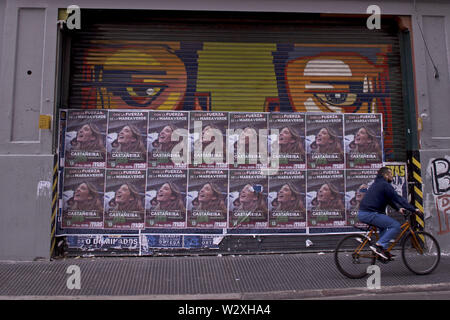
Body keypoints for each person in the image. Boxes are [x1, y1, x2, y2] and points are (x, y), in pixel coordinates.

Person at [357, 167, 418, 260]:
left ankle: (383, 252)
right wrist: (414, 209)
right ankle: (380, 245)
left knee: (384, 227)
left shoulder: (378, 184)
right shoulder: (384, 185)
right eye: (390, 174)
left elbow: (389, 199)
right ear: (385, 175)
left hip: (366, 213)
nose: (392, 176)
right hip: (369, 213)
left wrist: (398, 209)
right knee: (396, 226)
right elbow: (398, 198)